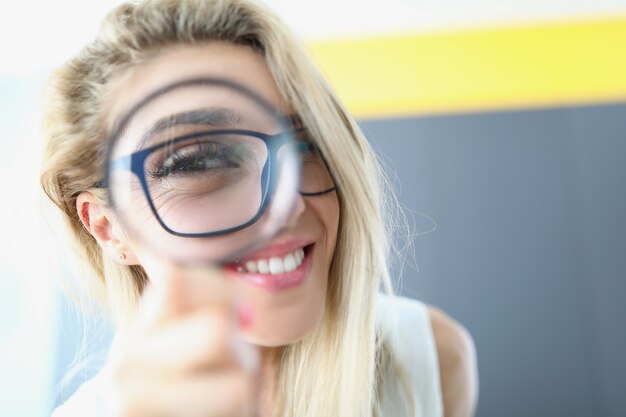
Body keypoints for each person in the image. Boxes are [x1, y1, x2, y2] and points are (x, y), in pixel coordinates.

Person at [40, 0, 478, 416]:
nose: (285, 207)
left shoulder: (429, 362)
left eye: (307, 142)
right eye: (199, 159)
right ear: (107, 227)